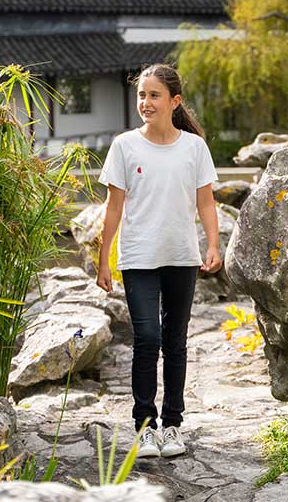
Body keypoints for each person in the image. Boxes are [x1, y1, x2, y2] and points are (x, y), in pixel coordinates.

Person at [96, 63, 221, 460]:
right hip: (138, 258)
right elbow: (113, 208)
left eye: (154, 95)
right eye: (141, 95)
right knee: (148, 339)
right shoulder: (125, 146)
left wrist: (214, 246)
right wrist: (104, 260)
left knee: (176, 341)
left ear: (174, 101)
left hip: (181, 257)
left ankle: (172, 425)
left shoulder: (194, 148)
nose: (145, 103)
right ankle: (145, 427)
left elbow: (206, 202)